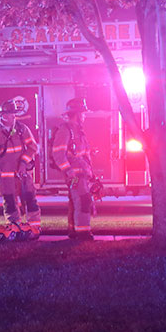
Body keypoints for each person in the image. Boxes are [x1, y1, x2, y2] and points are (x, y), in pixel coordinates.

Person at [0, 99, 41, 231]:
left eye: (12, 113)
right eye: (8, 113)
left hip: (23, 173)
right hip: (6, 175)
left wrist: (23, 162)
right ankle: (14, 226)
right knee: (9, 201)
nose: (11, 116)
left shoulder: (23, 129)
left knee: (30, 198)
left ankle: (34, 227)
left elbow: (32, 148)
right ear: (2, 115)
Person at [52, 98, 96, 240]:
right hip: (75, 175)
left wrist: (91, 173)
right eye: (82, 113)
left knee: (76, 201)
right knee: (82, 200)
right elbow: (58, 153)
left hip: (82, 173)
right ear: (76, 114)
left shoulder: (79, 131)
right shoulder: (66, 130)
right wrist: (68, 171)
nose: (84, 116)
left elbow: (84, 155)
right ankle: (83, 233)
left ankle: (73, 231)